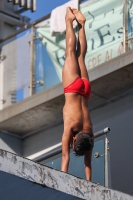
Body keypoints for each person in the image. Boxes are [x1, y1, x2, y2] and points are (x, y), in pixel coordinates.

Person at [61, 7, 94, 181]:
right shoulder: (70, 128)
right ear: (74, 141)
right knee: (70, 52)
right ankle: (69, 21)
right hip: (73, 88)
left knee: (81, 56)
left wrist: (89, 181)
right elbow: (65, 158)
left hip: (85, 89)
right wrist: (63, 178)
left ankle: (81, 25)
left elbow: (88, 162)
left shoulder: (89, 132)